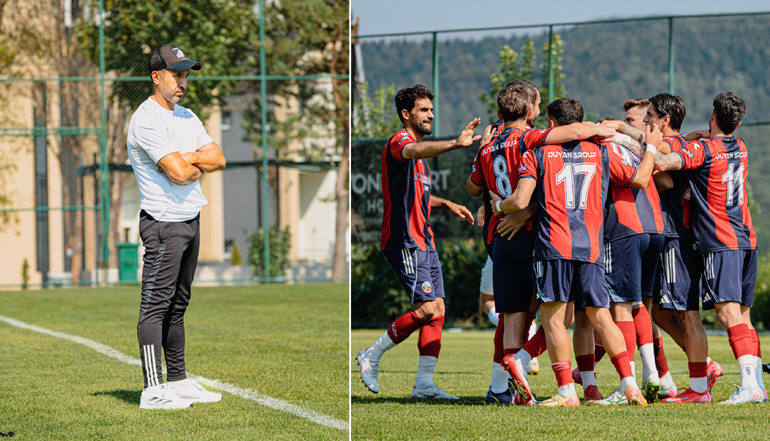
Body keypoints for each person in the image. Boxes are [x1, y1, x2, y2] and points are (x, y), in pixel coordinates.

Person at [491, 98, 661, 407]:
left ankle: (567, 391)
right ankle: (630, 385)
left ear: (553, 126)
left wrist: (498, 206)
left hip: (554, 246)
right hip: (592, 246)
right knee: (601, 316)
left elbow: (519, 201)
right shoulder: (602, 152)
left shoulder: (537, 153)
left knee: (555, 320)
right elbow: (639, 179)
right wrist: (649, 148)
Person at [468, 85, 614, 405]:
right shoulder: (528, 139)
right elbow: (570, 131)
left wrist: (495, 196)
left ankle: (505, 388)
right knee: (558, 314)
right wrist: (601, 127)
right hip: (537, 236)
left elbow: (472, 184)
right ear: (532, 112)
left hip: (500, 237)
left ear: (499, 113)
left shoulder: (487, 147)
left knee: (512, 317)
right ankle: (550, 376)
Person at [356, 85, 479, 399]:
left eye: (431, 110)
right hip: (405, 241)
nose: (431, 115)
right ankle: (371, 354)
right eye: (424, 110)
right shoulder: (402, 141)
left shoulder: (420, 158)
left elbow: (419, 196)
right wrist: (455, 143)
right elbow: (411, 151)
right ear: (406, 114)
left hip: (425, 241)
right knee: (425, 309)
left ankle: (423, 385)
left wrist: (447, 204)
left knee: (437, 310)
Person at [127, 44, 226, 409]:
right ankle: (153, 390)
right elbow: (182, 173)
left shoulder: (186, 116)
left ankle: (179, 381)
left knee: (178, 305)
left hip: (190, 219)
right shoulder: (146, 119)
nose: (182, 82)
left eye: (185, 75)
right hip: (163, 222)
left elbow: (219, 158)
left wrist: (189, 158)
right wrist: (190, 163)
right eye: (176, 74)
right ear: (156, 77)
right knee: (155, 306)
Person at [654, 92, 765, 404]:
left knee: (727, 313)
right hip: (746, 238)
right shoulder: (740, 147)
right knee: (742, 316)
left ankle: (749, 387)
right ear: (739, 123)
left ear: (712, 117)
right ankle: (755, 385)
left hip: (720, 242)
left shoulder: (703, 150)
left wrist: (646, 140)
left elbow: (664, 162)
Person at [641, 93, 723, 403]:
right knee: (660, 312)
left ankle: (701, 383)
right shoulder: (680, 143)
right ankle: (706, 367)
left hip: (678, 237)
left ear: (665, 120)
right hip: (671, 236)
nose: (647, 120)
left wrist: (623, 133)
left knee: (688, 314)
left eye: (650, 115)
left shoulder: (672, 145)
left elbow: (661, 154)